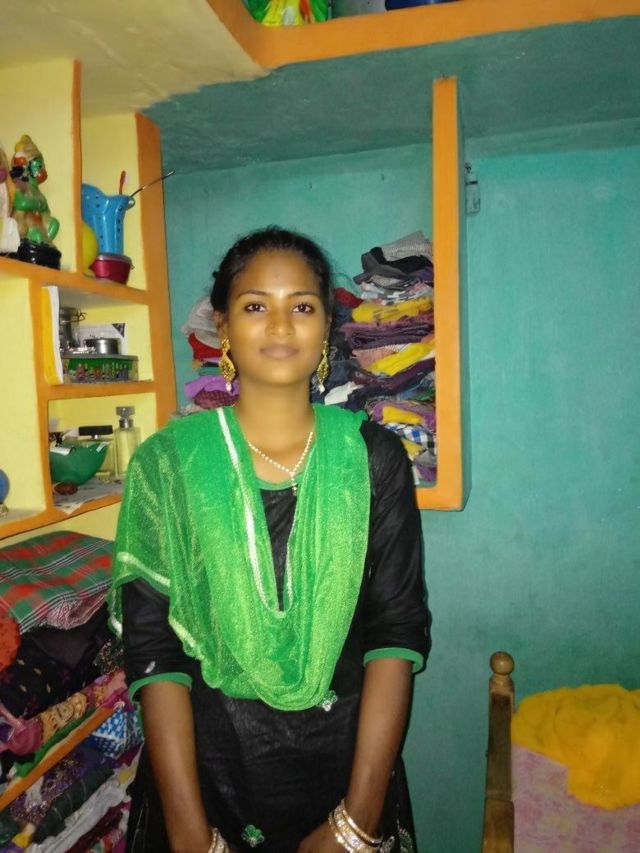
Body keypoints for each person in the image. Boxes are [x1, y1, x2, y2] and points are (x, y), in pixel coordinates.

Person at [109, 227, 430, 853]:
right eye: (256, 305)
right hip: (204, 779)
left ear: (327, 329)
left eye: (302, 306)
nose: (280, 325)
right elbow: (154, 652)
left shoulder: (373, 459)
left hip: (348, 769)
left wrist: (359, 819)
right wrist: (188, 831)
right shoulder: (168, 465)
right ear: (223, 327)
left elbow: (396, 630)